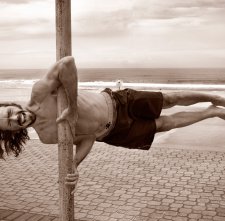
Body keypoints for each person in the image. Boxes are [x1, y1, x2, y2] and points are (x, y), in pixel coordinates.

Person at [1, 56, 225, 192]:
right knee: (165, 124)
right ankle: (210, 112)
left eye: (10, 112)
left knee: (170, 100)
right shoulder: (47, 136)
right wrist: (74, 165)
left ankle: (214, 98)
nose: (14, 118)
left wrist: (72, 109)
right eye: (10, 124)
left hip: (118, 102)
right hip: (114, 132)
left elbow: (67, 64)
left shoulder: (39, 93)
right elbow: (87, 137)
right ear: (14, 132)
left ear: (12, 105)